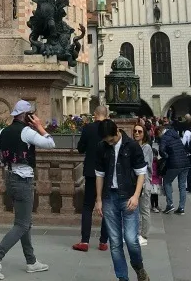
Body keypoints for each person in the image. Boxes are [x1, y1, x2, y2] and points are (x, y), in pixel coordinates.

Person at [0, 100, 56, 280]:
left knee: (25, 222)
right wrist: (39, 126)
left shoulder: (2, 132)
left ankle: (31, 261)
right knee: (22, 224)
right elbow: (50, 143)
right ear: (26, 116)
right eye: (31, 114)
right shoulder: (27, 132)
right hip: (23, 180)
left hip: (9, 178)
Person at [93, 119, 150, 281]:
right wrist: (99, 199)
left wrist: (136, 196)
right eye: (106, 141)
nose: (109, 143)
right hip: (109, 197)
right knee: (115, 242)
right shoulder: (102, 147)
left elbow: (141, 172)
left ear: (117, 131)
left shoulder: (132, 146)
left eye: (111, 140)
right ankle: (122, 277)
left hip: (128, 196)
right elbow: (99, 175)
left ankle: (139, 268)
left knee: (131, 240)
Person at [73, 105, 109, 252]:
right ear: (106, 115)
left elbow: (80, 148)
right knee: (106, 206)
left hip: (91, 172)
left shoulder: (88, 128)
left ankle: (85, 241)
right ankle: (103, 241)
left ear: (95, 114)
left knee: (87, 206)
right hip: (106, 173)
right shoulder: (110, 128)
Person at [157, 120, 190, 214]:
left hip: (174, 163)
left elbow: (161, 150)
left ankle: (170, 205)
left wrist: (166, 157)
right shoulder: (176, 135)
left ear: (161, 131)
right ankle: (181, 208)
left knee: (167, 181)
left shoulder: (165, 137)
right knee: (182, 185)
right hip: (185, 163)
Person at [133, 123, 153, 247]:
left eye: (140, 131)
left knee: (144, 209)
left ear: (144, 134)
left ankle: (144, 235)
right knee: (134, 209)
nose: (136, 133)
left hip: (144, 182)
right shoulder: (133, 146)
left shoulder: (146, 147)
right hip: (134, 182)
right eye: (135, 131)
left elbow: (143, 164)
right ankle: (135, 233)